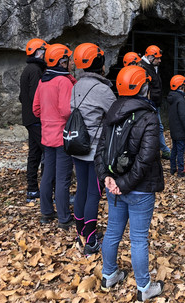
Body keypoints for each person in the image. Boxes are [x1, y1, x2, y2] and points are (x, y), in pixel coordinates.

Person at [95, 65, 165, 301]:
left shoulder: (112, 112)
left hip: (115, 185)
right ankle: (144, 288)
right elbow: (145, 160)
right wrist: (123, 184)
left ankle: (109, 275)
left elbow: (101, 150)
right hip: (138, 189)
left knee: (113, 232)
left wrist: (107, 177)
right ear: (144, 87)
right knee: (138, 239)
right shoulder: (149, 117)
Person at [71, 43, 116, 255]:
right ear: (99, 63)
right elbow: (116, 114)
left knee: (81, 189)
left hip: (77, 146)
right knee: (93, 194)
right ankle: (90, 241)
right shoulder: (102, 90)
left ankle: (81, 231)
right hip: (95, 151)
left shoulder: (77, 85)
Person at [33, 43, 75, 229]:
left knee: (47, 175)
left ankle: (46, 212)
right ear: (62, 62)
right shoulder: (63, 81)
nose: (72, 63)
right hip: (62, 136)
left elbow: (36, 109)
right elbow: (67, 111)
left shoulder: (43, 80)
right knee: (63, 178)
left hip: (47, 135)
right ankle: (64, 218)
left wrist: (48, 118)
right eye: (68, 59)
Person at [19, 38, 47, 203]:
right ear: (39, 52)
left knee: (34, 154)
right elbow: (36, 97)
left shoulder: (28, 69)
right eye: (44, 52)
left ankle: (32, 190)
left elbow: (22, 97)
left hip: (30, 119)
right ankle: (46, 190)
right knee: (48, 152)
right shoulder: (36, 70)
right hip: (36, 119)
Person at [140, 45, 171, 159]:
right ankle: (163, 150)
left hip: (154, 103)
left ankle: (161, 150)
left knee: (158, 127)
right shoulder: (143, 67)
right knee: (157, 127)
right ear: (150, 57)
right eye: (157, 58)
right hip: (149, 103)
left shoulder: (152, 66)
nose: (160, 60)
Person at [167, 75, 185, 178]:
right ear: (181, 87)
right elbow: (184, 116)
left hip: (174, 130)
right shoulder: (181, 100)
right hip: (181, 131)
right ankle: (181, 171)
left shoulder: (172, 98)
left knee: (174, 150)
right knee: (180, 151)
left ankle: (173, 168)